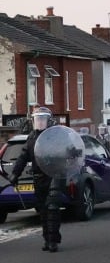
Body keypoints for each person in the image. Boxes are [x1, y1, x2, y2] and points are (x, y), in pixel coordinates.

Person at [8, 107, 62, 252]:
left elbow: (65, 151)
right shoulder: (31, 138)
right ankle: (46, 239)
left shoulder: (55, 136)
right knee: (43, 210)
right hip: (38, 178)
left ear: (49, 121)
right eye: (37, 119)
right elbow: (23, 157)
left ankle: (53, 241)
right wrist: (15, 174)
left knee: (52, 208)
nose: (39, 122)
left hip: (53, 177)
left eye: (42, 119)